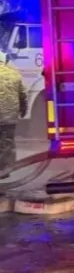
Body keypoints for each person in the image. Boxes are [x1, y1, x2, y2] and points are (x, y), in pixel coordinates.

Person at [0, 51, 26, 179]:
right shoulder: (14, 73)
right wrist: (24, 110)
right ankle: (4, 170)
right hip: (9, 116)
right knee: (7, 142)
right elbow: (23, 94)